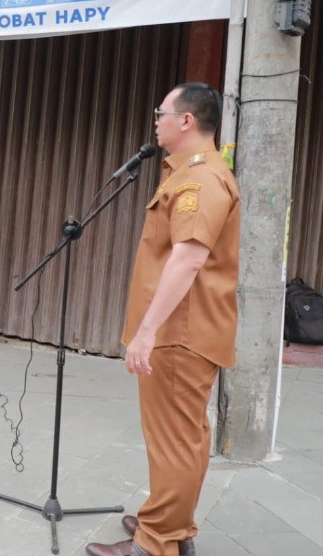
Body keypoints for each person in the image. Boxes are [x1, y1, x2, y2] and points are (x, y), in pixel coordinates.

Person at [85, 83, 240, 556]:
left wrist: (147, 332)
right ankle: (171, 525)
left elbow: (188, 259)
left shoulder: (200, 179)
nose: (156, 121)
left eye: (162, 113)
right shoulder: (191, 172)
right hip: (186, 329)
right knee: (183, 437)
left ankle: (155, 543)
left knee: (175, 440)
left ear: (186, 120)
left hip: (179, 332)